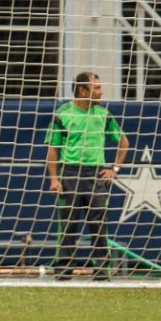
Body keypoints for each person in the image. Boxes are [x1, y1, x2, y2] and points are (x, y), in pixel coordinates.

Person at [45, 71, 130, 281]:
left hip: (95, 175)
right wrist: (54, 179)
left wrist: (114, 169)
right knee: (67, 226)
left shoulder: (103, 115)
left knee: (99, 226)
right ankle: (64, 270)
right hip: (70, 174)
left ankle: (101, 271)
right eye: (97, 88)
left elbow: (124, 142)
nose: (101, 92)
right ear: (83, 91)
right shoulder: (63, 114)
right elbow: (53, 149)